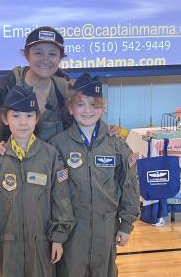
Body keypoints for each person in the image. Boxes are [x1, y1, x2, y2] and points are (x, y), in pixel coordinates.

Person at [0, 26, 121, 205]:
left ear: (61, 57)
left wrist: (106, 131)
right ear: (27, 55)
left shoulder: (67, 90)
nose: (45, 60)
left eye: (53, 54)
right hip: (8, 189)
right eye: (38, 53)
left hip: (52, 186)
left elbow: (85, 122)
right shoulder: (3, 88)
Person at [0, 85, 75, 277]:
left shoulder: (50, 155)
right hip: (6, 249)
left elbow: (61, 201)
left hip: (41, 247)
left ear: (37, 119)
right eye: (16, 116)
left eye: (29, 116)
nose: (23, 123)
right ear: (5, 119)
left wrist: (59, 238)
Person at [49, 73, 140, 277]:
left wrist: (126, 224)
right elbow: (53, 193)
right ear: (71, 109)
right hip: (72, 231)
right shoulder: (58, 145)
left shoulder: (116, 144)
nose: (88, 110)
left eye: (94, 104)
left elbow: (129, 185)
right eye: (80, 104)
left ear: (102, 107)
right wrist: (56, 233)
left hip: (106, 228)